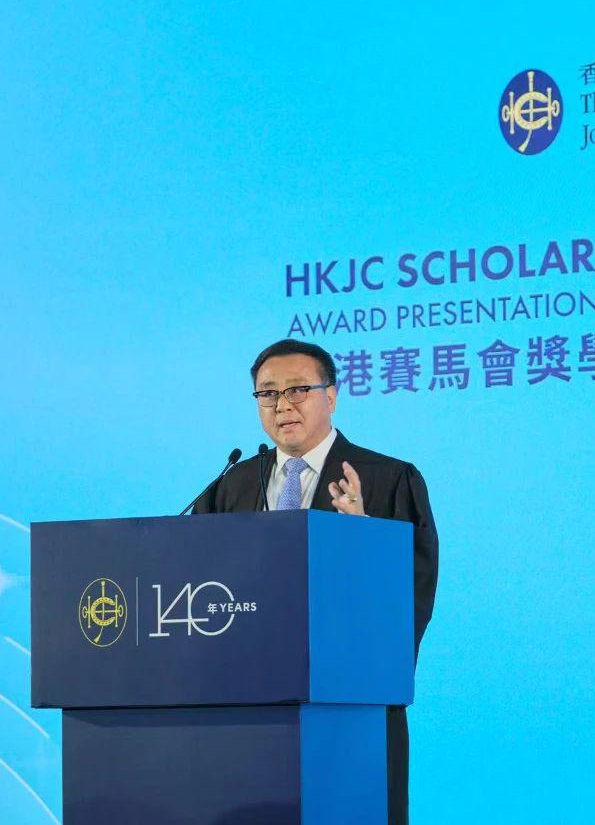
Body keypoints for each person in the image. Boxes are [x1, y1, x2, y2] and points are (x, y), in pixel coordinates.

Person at [195, 338, 438, 825]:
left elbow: (413, 591)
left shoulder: (387, 479)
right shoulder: (232, 484)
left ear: (331, 396)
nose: (282, 405)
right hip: (248, 708)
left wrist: (362, 536)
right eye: (268, 393)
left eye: (298, 389)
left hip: (350, 706)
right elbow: (195, 580)